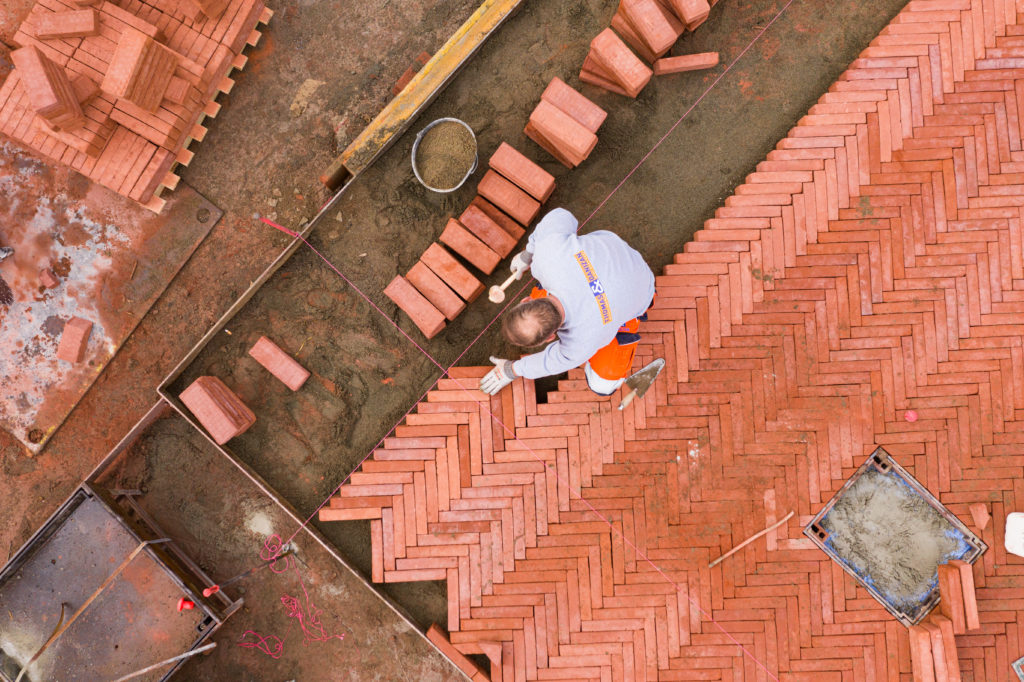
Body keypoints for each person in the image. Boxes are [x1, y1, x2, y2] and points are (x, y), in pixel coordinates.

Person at [480, 208, 655, 396]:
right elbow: (562, 215)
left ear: (550, 338)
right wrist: (530, 252)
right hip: (619, 257)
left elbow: (552, 362)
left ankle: (625, 326)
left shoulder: (580, 343)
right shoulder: (547, 254)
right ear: (526, 300)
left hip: (642, 290)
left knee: (603, 385)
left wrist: (512, 370)